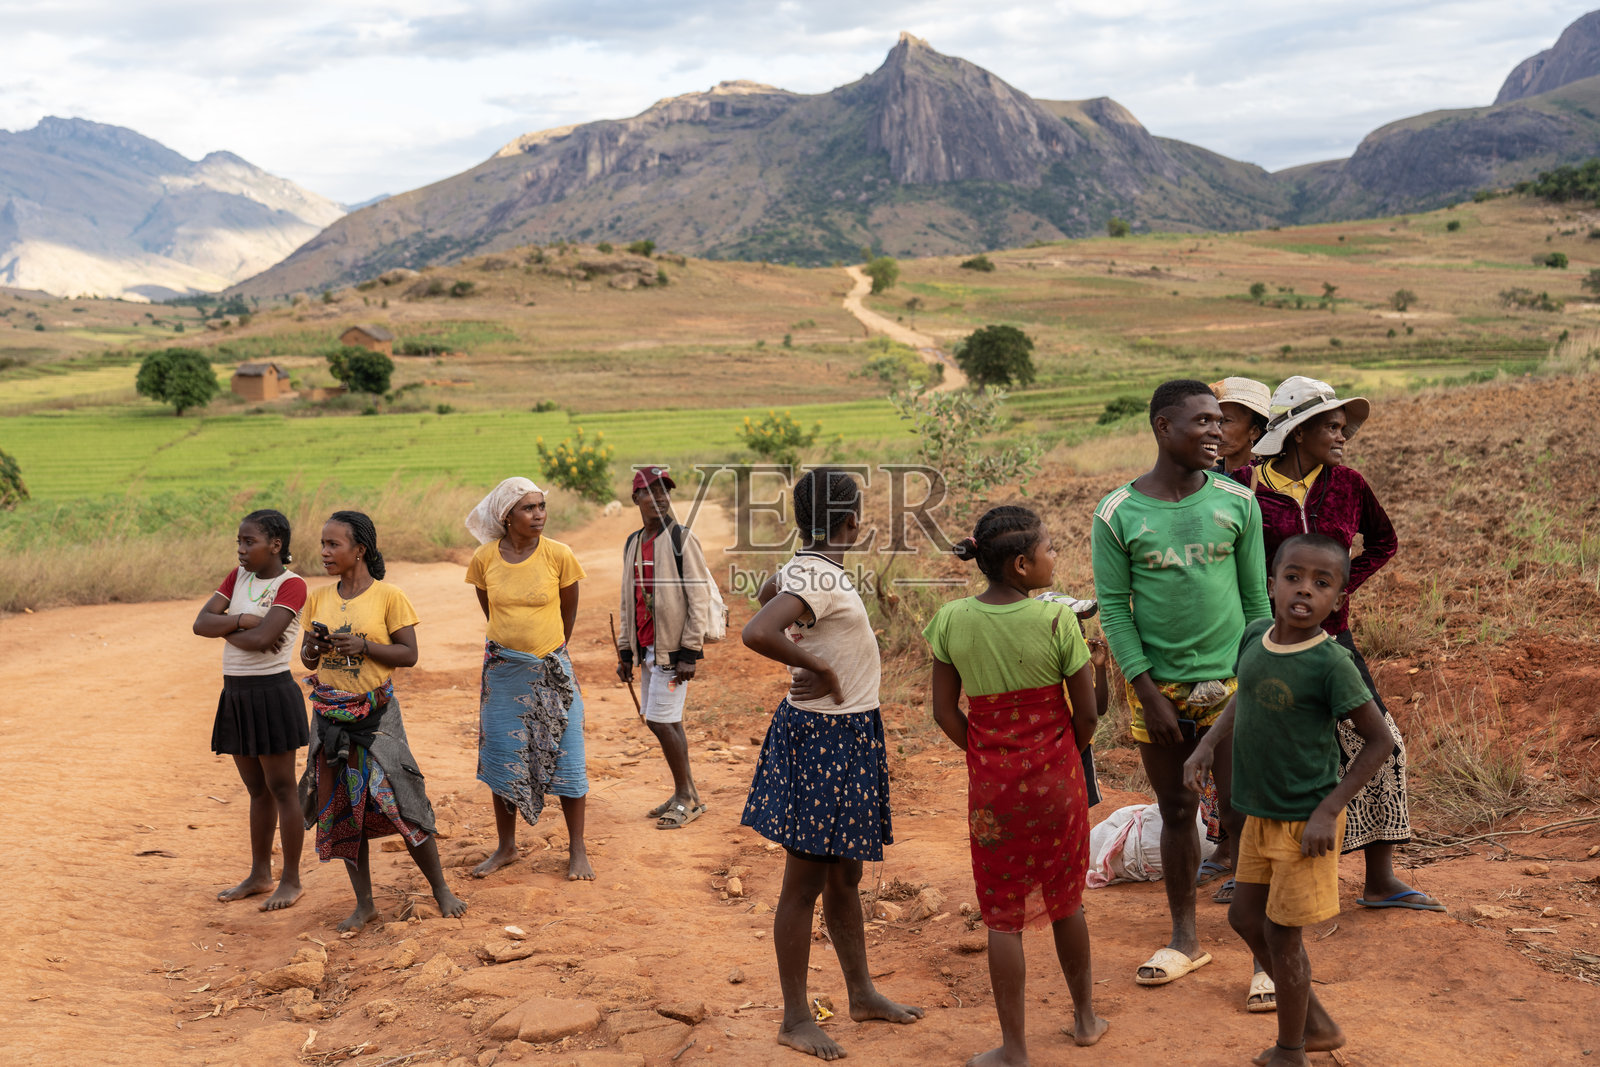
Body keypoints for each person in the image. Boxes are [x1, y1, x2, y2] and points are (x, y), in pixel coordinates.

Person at [1183, 534, 1396, 1067]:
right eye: (1294, 577)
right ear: (1271, 583)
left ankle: (1292, 1049)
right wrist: (1208, 744)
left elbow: (1379, 741)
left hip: (1306, 823)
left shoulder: (1331, 663)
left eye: (1322, 584)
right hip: (1259, 814)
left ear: (1338, 599)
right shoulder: (1256, 636)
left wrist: (1329, 809)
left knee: (1282, 933)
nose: (1305, 591)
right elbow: (1243, 695)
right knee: (1244, 919)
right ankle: (1317, 1023)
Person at [1090, 379, 1270, 985]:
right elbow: (1114, 610)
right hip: (1158, 695)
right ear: (1164, 428)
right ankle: (1184, 937)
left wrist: (1257, 678)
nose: (1218, 432)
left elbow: (1255, 602)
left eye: (1221, 422)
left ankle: (1266, 958)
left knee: (1247, 811)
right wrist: (1145, 692)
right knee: (1175, 809)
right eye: (1203, 422)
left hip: (1233, 685)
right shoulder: (1118, 513)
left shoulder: (1236, 503)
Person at [740, 468, 923, 1061]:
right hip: (825, 737)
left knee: (845, 875)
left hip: (847, 732)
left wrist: (805, 648)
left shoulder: (807, 567)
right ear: (852, 521)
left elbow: (770, 598)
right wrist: (816, 667)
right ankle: (795, 1018)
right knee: (805, 883)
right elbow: (758, 627)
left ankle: (862, 993)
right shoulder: (817, 573)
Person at [1238, 376, 1441, 913]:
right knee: (1262, 742)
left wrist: (1339, 590)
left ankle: (1380, 877)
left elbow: (1384, 541)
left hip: (1334, 641)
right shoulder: (1244, 487)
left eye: (1343, 426)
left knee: (1382, 743)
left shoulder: (1349, 483)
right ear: (1299, 431)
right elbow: (1231, 557)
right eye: (1332, 425)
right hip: (1269, 639)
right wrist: (1262, 603)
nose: (1343, 434)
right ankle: (1248, 871)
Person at [924, 505, 1109, 1064]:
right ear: (1023, 565)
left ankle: (1013, 1047)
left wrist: (987, 754)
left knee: (1003, 915)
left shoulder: (951, 620)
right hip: (1060, 782)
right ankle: (1083, 1019)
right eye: (1050, 549)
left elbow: (943, 713)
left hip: (993, 791)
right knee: (1066, 900)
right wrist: (1061, 756)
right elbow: (1089, 714)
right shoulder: (1057, 623)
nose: (1056, 556)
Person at [298, 510, 466, 931]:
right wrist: (316, 648)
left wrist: (364, 646)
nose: (325, 552)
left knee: (404, 801)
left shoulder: (389, 597)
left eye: (334, 544)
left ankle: (441, 890)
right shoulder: (318, 597)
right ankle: (365, 904)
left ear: (360, 550)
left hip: (376, 719)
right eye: (323, 544)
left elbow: (408, 654)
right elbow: (306, 658)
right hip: (330, 720)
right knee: (343, 812)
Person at [464, 478, 593, 881]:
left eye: (541, 506)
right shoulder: (484, 558)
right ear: (507, 516)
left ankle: (577, 850)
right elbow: (492, 611)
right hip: (503, 674)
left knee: (569, 754)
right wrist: (516, 653)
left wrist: (548, 653)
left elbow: (567, 612)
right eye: (528, 508)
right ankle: (506, 847)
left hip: (551, 667)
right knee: (504, 755)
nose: (538, 514)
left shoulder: (559, 554)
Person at [193, 509, 309, 911]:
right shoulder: (237, 577)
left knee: (282, 789)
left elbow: (265, 639)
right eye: (239, 542)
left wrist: (233, 628)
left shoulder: (291, 585)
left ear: (275, 545)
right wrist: (242, 620)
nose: (241, 549)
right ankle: (260, 875)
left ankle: (291, 880)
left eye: (249, 542)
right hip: (237, 694)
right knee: (256, 790)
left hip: (271, 693)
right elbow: (200, 624)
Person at [616, 465, 717, 830]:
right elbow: (628, 601)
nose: (659, 498)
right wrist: (625, 651)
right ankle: (684, 792)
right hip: (647, 650)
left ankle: (687, 797)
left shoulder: (681, 539)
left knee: (661, 720)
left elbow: (699, 597)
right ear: (636, 498)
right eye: (650, 492)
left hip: (674, 654)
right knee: (663, 720)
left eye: (665, 491)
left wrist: (690, 652)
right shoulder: (632, 543)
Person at [1212, 377, 1272, 475]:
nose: (1216, 430)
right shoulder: (1207, 479)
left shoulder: (1263, 484)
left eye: (1227, 421)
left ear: (1254, 432)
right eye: (1215, 420)